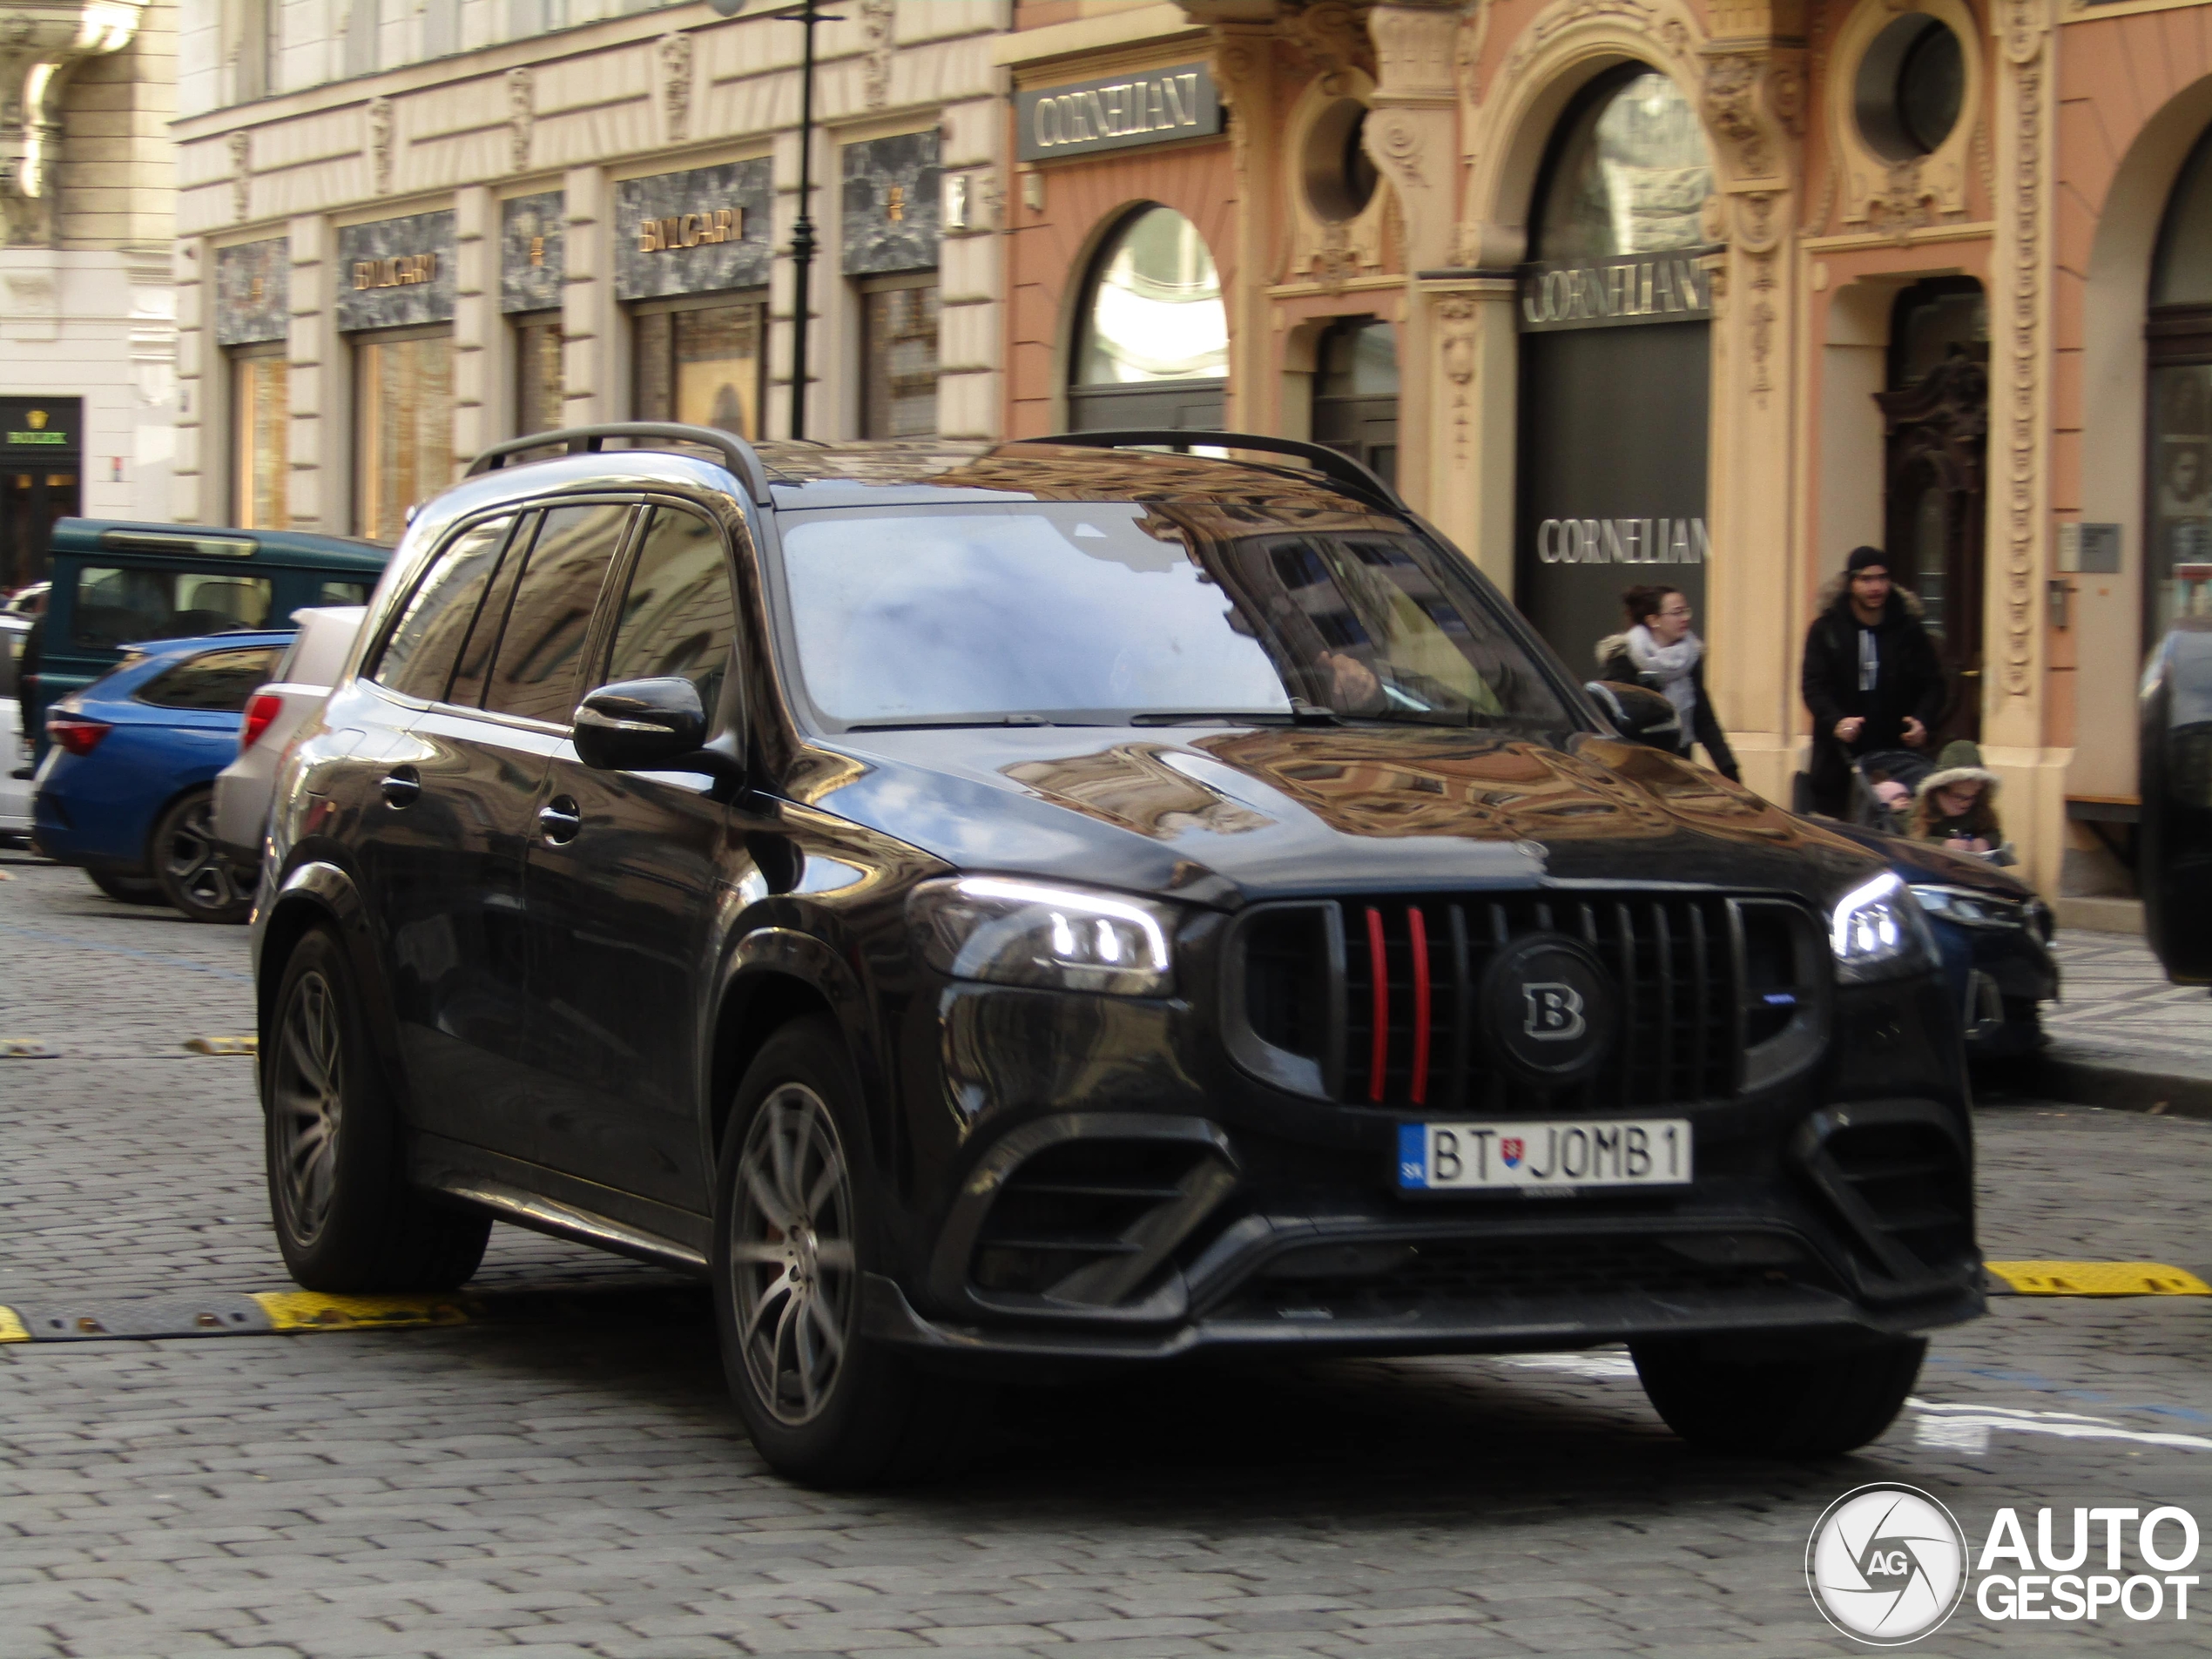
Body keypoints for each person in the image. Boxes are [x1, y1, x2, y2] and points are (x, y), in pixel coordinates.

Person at [1800, 546, 1946, 816]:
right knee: (1839, 840)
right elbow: (1813, 686)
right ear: (1850, 583)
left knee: (1893, 835)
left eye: (1882, 578)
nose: (1876, 587)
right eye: (1866, 579)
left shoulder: (1908, 629)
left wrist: (1922, 720)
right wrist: (1837, 721)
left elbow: (1934, 684)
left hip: (1896, 758)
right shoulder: (1826, 630)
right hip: (1839, 762)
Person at [1595, 584, 1740, 782]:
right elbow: (1614, 719)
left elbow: (1704, 720)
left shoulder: (1690, 658)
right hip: (1637, 768)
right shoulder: (1624, 657)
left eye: (1686, 611)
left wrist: (1729, 768)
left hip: (1679, 762)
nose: (1685, 618)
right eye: (1676, 613)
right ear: (1653, 620)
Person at [1910, 739, 2006, 855]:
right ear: (1937, 792)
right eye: (1959, 796)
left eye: (1974, 796)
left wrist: (1985, 842)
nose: (1966, 803)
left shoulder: (1977, 810)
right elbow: (1911, 840)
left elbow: (1994, 833)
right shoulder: (1921, 811)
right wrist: (1942, 844)